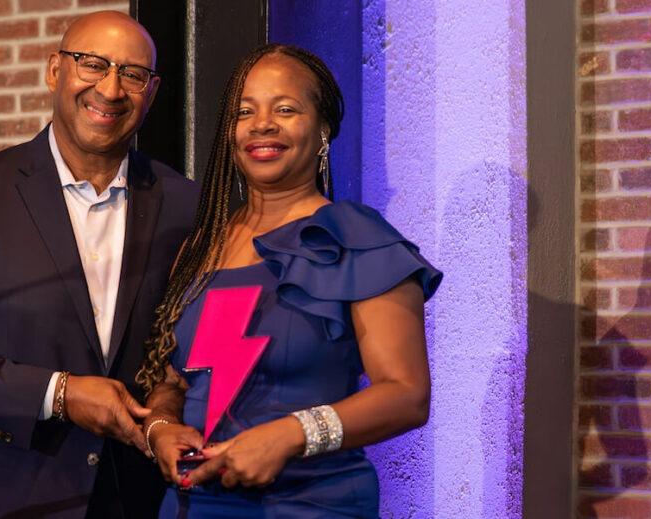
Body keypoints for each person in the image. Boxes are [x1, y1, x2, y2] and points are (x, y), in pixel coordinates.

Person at [0, 11, 198, 518]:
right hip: (9, 496)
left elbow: (186, 351)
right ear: (55, 70)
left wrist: (166, 413)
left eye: (133, 74)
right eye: (93, 64)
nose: (112, 88)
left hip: (140, 500)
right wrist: (60, 394)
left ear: (153, 90)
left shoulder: (185, 204)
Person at [137, 44, 443, 517]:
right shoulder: (199, 246)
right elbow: (173, 377)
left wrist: (289, 435)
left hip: (310, 504)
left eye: (285, 109)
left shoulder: (357, 240)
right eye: (245, 111)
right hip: (190, 505)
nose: (262, 123)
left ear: (323, 130)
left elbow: (406, 394)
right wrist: (161, 425)